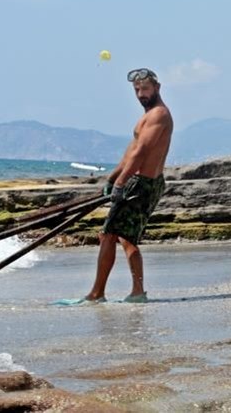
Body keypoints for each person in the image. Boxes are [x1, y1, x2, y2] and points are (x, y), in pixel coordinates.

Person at [78, 68, 173, 304]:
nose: (141, 94)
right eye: (137, 90)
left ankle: (101, 293)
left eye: (145, 89)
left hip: (143, 184)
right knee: (115, 236)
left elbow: (142, 152)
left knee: (113, 235)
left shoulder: (159, 114)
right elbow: (130, 152)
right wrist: (112, 178)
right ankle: (131, 291)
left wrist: (121, 183)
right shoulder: (147, 115)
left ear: (157, 88)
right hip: (138, 181)